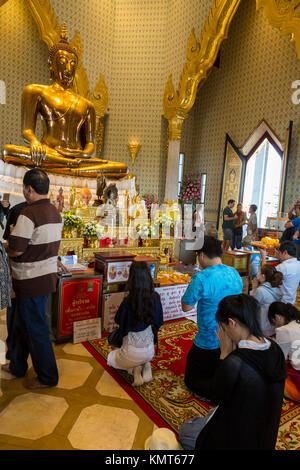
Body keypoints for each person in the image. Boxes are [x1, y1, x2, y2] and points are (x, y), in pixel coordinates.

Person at [2, 24, 127, 180]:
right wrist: (34, 143)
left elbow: (90, 143)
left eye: (73, 64)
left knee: (120, 168)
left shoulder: (87, 105)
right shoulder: (36, 91)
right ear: (51, 65)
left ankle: (69, 167)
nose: (68, 68)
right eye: (63, 61)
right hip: (49, 152)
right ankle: (70, 168)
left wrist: (84, 154)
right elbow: (27, 131)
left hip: (77, 157)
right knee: (9, 151)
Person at [179, 294, 286, 450]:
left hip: (236, 437)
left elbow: (217, 396)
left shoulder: (235, 362)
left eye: (222, 327)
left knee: (186, 430)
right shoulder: (275, 348)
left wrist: (224, 354)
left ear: (231, 323)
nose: (223, 332)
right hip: (265, 435)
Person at [1, 168, 63, 389]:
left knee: (36, 329)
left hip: (29, 279)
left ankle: (48, 377)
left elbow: (17, 249)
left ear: (28, 189)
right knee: (20, 324)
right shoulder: (55, 212)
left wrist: (3, 249)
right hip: (43, 278)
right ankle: (17, 364)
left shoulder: (28, 213)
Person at [181, 236, 243, 400]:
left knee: (191, 380)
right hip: (233, 338)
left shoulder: (201, 278)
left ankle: (214, 393)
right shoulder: (234, 272)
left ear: (201, 255)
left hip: (209, 339)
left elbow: (186, 307)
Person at [107, 261, 163, 386]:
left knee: (110, 358)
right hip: (150, 352)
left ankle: (134, 370)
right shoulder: (155, 297)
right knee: (140, 355)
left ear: (131, 279)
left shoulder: (128, 301)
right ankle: (144, 365)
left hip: (130, 352)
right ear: (148, 277)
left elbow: (118, 321)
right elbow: (159, 322)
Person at [268, 302, 300, 402]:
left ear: (277, 317)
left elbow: (280, 359)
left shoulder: (283, 330)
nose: (276, 325)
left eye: (274, 321)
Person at [250, 264, 283, 336]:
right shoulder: (277, 289)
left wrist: (254, 288)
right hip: (272, 326)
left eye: (259, 272)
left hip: (262, 326)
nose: (257, 273)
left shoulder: (260, 290)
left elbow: (251, 305)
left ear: (263, 276)